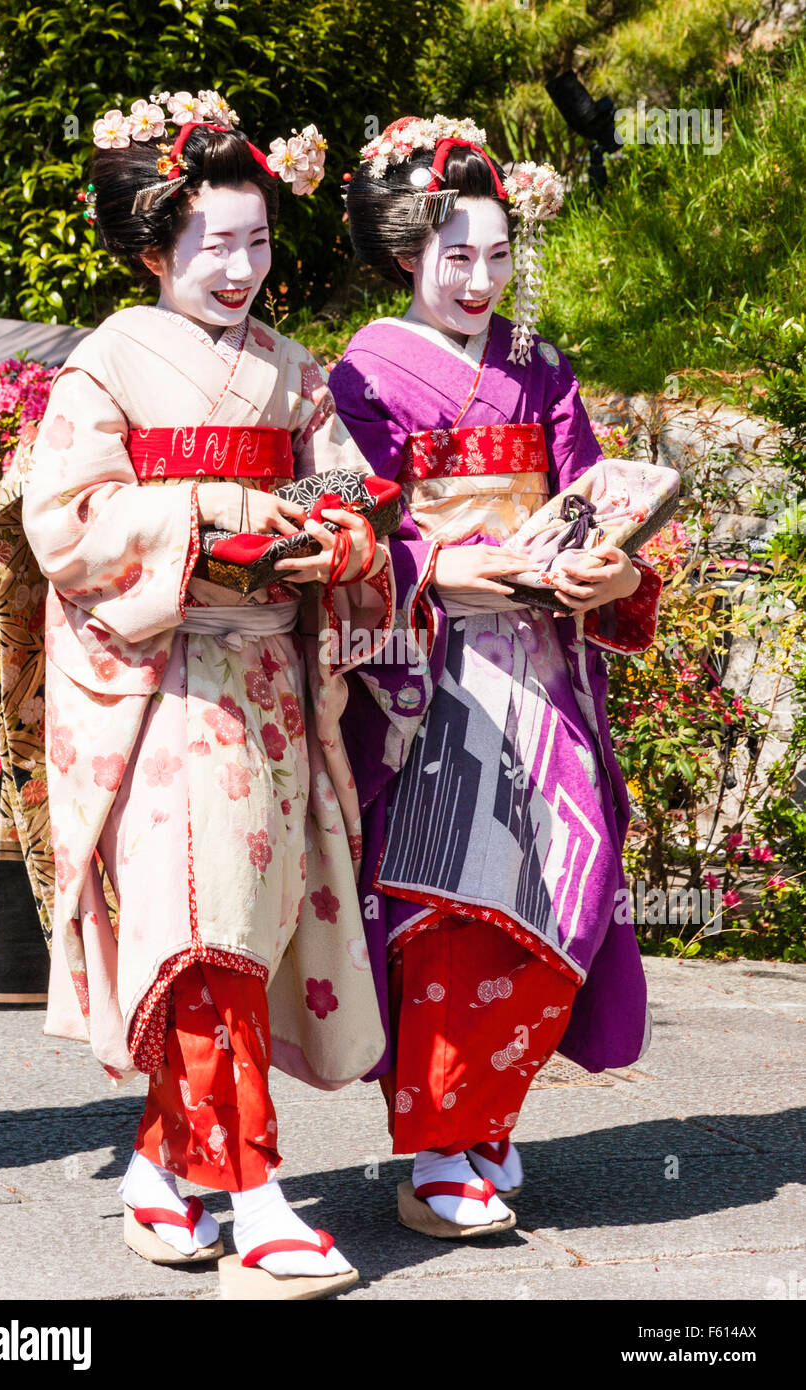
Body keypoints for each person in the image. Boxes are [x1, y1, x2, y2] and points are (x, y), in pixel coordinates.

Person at [0, 89, 396, 1289]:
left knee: (251, 927)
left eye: (258, 242)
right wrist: (207, 513)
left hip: (270, 672)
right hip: (162, 676)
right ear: (153, 244)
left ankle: (168, 1163)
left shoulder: (291, 372)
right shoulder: (107, 362)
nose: (240, 268)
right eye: (214, 244)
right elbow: (63, 523)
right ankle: (259, 1194)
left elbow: (352, 493)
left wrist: (343, 544)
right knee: (201, 926)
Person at [329, 115, 662, 1237]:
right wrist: (452, 569)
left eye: (495, 255)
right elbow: (360, 527)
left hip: (544, 659)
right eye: (452, 257)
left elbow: (587, 489)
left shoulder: (539, 366)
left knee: (569, 870)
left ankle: (487, 1116)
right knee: (448, 892)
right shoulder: (362, 374)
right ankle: (432, 1145)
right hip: (436, 666)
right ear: (402, 258)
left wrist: (606, 563)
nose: (479, 280)